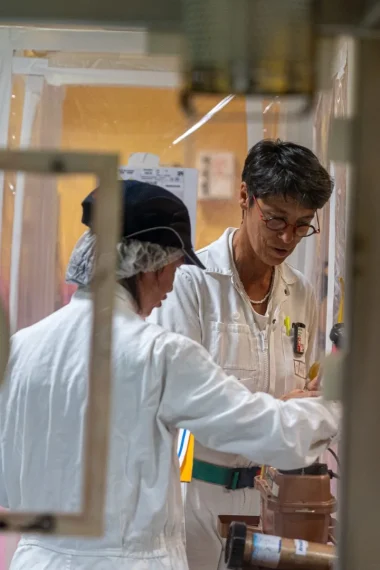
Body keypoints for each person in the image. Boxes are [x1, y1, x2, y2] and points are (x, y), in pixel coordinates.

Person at [0, 180, 339, 570]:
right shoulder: (158, 354)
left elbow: (7, 481)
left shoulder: (21, 347)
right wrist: (339, 406)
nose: (174, 284)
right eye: (177, 267)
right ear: (151, 264)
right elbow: (270, 431)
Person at [149, 139, 334, 570]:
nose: (288, 237)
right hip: (195, 497)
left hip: (270, 500)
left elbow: (298, 386)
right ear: (245, 198)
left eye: (303, 225)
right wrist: (279, 411)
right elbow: (179, 404)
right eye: (275, 219)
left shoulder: (299, 291)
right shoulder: (192, 283)